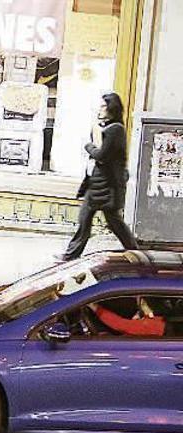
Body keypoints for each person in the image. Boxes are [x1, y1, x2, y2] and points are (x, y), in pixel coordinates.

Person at [59, 93, 138, 261]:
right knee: (85, 220)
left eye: (104, 106)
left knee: (114, 223)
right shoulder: (105, 127)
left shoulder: (115, 129)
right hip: (96, 185)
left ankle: (135, 251)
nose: (100, 109)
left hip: (107, 186)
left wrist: (88, 146)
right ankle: (70, 255)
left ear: (112, 108)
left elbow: (102, 155)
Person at [88, 297, 165, 337]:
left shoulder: (153, 325)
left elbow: (119, 324)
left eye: (142, 302)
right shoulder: (157, 320)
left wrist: (94, 307)